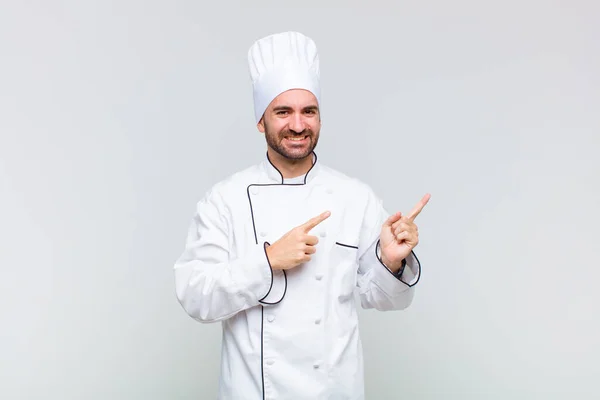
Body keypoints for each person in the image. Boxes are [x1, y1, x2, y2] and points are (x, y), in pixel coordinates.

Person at [173, 31, 430, 400]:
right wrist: (267, 263)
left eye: (308, 111)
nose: (298, 125)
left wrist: (391, 263)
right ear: (261, 121)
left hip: (334, 390)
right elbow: (195, 296)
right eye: (283, 112)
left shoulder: (354, 197)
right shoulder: (224, 200)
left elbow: (388, 300)